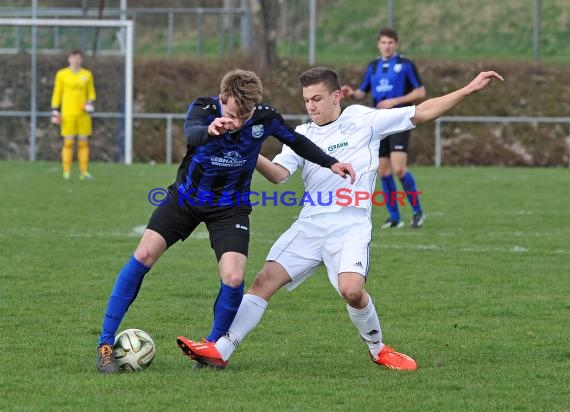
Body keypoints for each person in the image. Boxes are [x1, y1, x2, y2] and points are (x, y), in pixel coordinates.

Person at [177, 67, 503, 370]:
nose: (311, 106)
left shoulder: (364, 120)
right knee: (263, 281)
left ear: (337, 96)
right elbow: (278, 176)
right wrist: (250, 150)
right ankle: (222, 350)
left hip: (350, 225)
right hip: (310, 224)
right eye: (306, 100)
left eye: (317, 98)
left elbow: (423, 111)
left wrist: (469, 89)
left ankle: (379, 349)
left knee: (352, 291)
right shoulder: (301, 133)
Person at [95, 69, 355, 373]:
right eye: (233, 113)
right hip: (186, 200)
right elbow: (191, 132)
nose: (239, 120)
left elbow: (296, 141)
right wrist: (212, 129)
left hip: (230, 208)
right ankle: (104, 343)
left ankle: (212, 348)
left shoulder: (264, 117)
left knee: (233, 277)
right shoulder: (203, 110)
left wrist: (331, 162)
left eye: (246, 114)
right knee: (143, 254)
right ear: (222, 99)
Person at [342, 27, 426, 228]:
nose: (386, 46)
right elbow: (362, 93)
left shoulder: (405, 65)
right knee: (384, 171)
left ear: (396, 44)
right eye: (383, 42)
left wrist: (394, 100)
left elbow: (420, 91)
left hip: (398, 120)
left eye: (390, 42)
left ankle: (417, 212)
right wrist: (351, 93)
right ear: (378, 44)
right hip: (378, 121)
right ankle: (395, 218)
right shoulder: (373, 67)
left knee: (399, 168)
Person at [50, 49, 96, 180]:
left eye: (78, 58)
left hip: (83, 115)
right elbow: (57, 92)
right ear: (69, 59)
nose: (76, 60)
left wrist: (90, 103)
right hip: (68, 114)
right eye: (73, 58)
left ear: (81, 60)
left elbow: (91, 92)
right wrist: (55, 109)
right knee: (68, 142)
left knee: (83, 143)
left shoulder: (87, 75)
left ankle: (84, 171)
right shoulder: (62, 74)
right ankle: (66, 171)